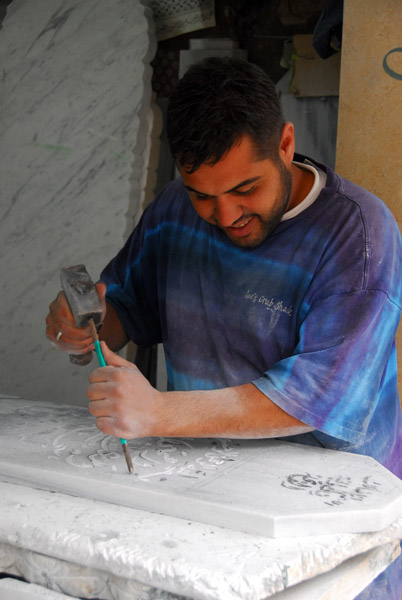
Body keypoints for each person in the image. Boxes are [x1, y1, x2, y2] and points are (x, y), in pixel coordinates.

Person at [46, 57, 402, 598]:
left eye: (245, 188)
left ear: (285, 144)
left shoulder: (358, 234)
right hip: (205, 496)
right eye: (202, 195)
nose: (226, 213)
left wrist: (159, 412)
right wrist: (84, 327)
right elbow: (123, 314)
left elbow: (319, 397)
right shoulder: (173, 210)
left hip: (332, 519)